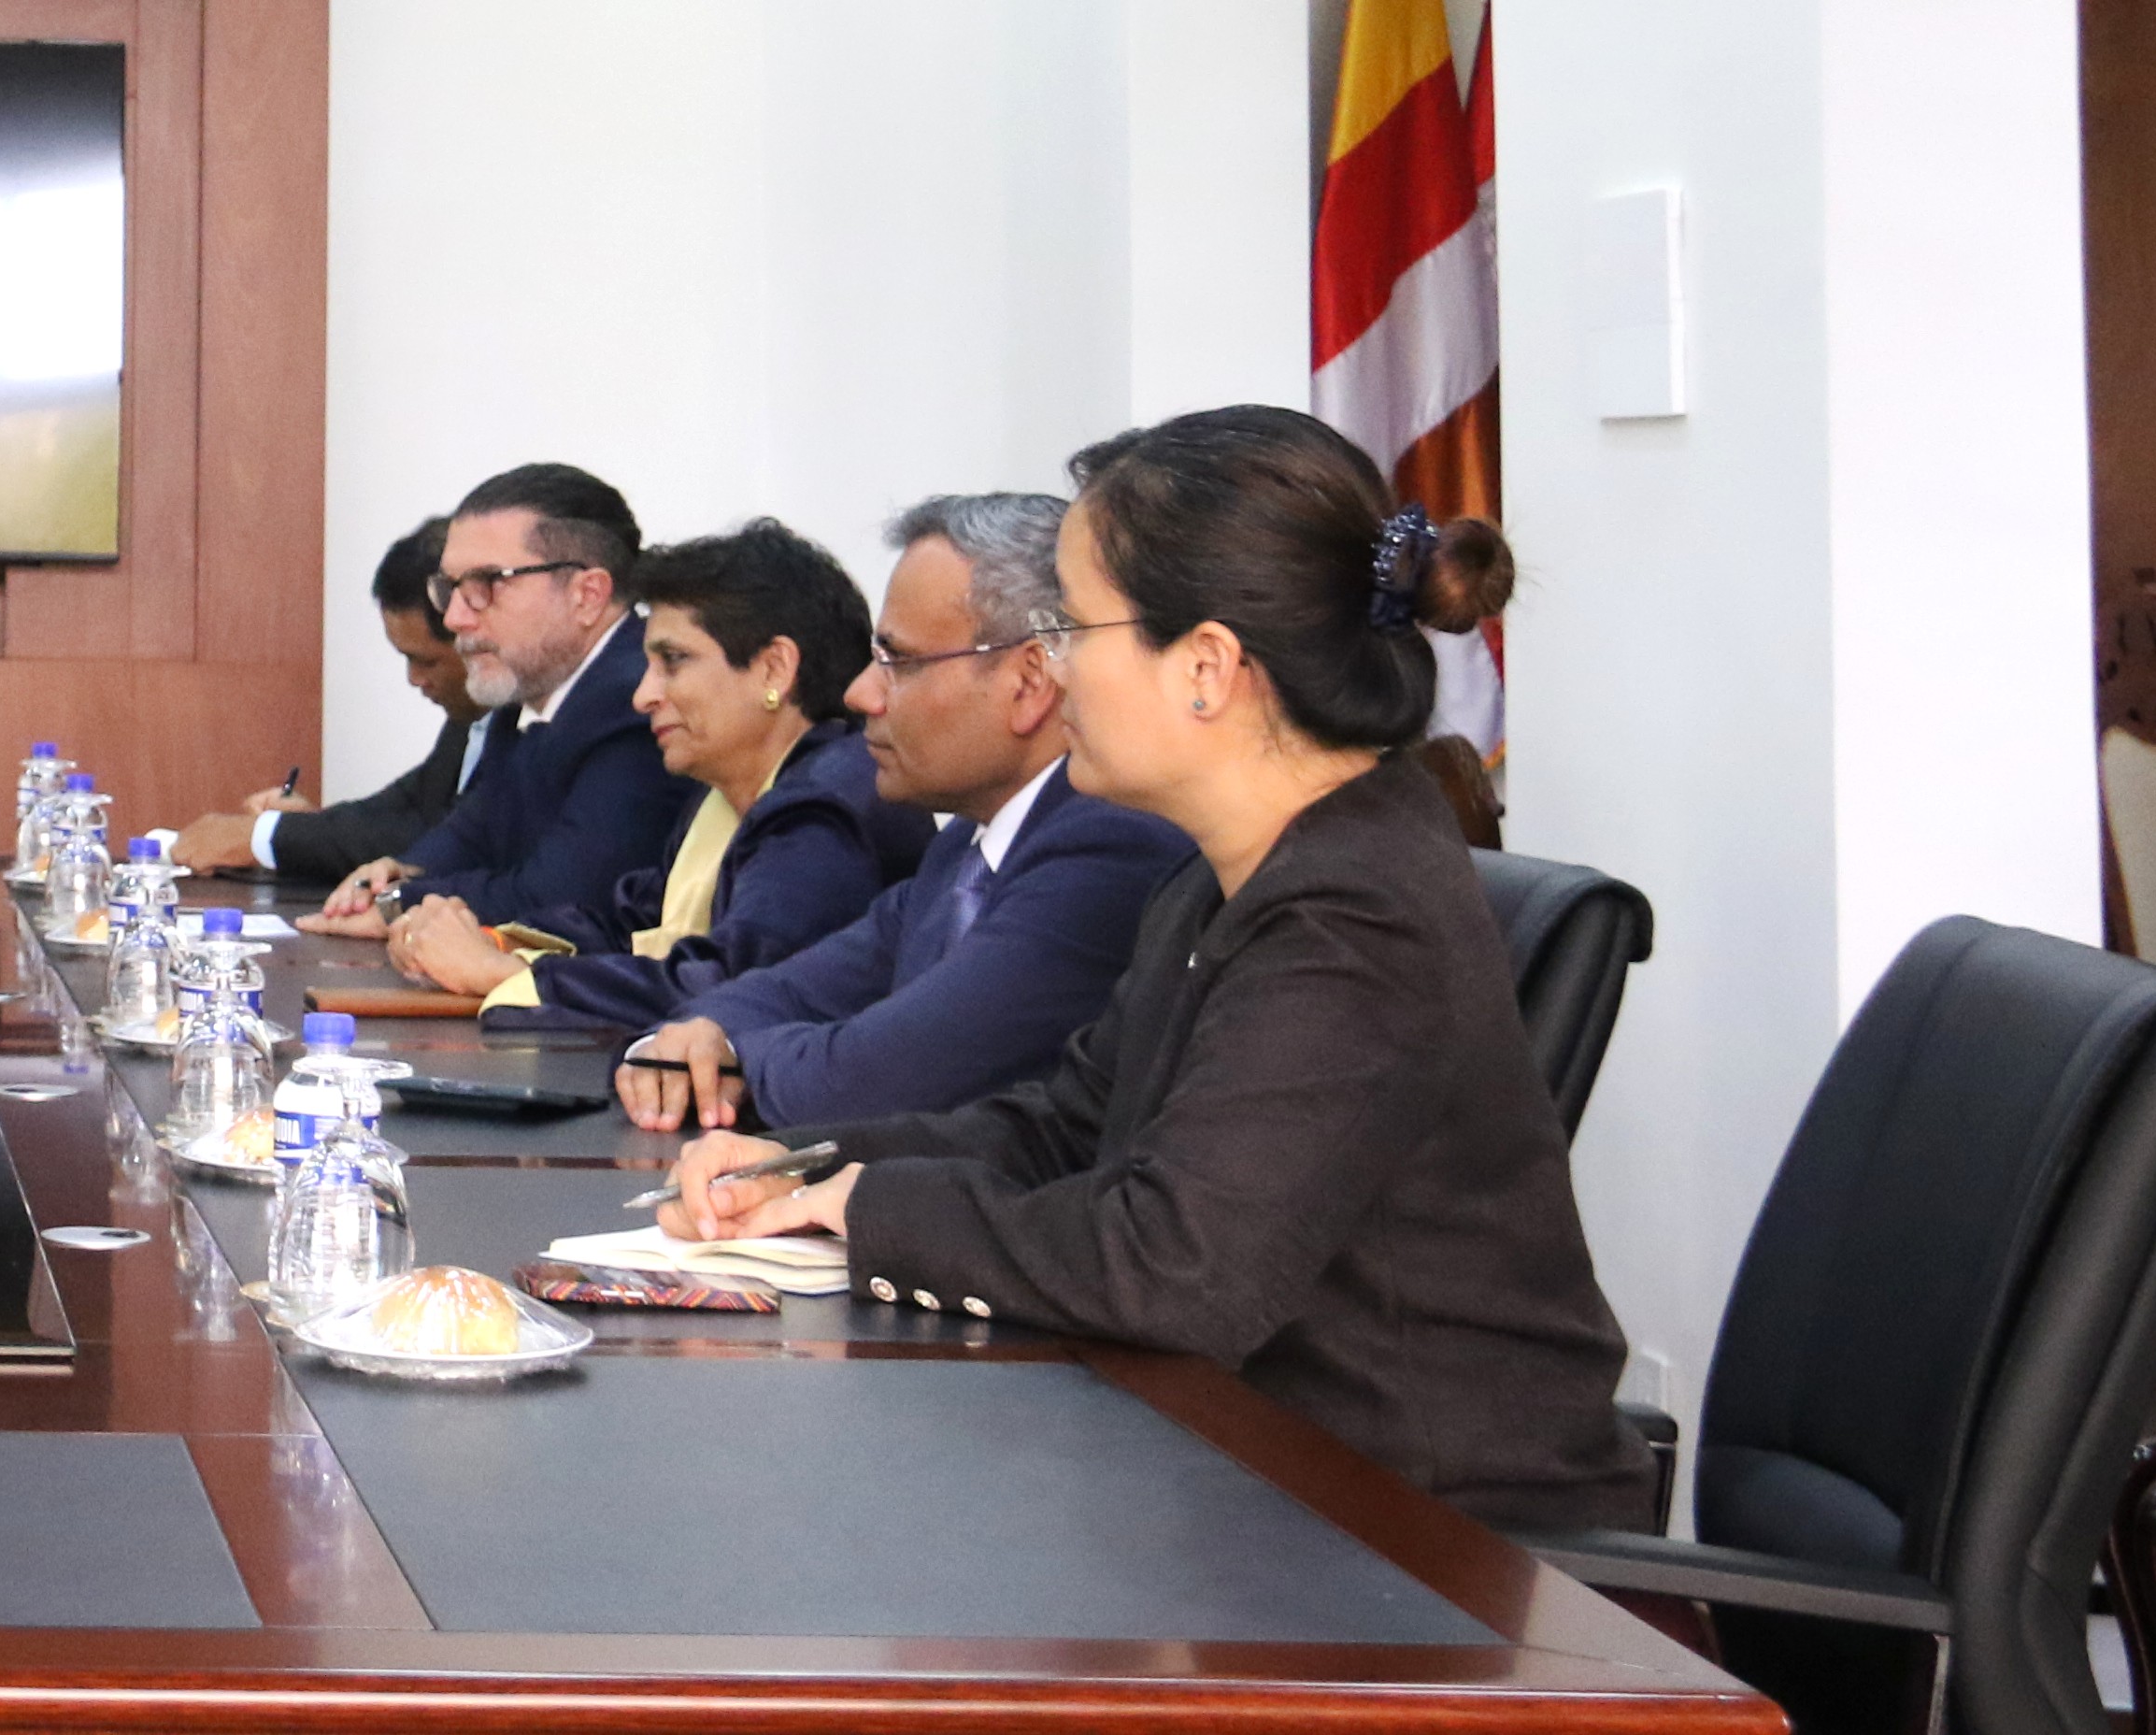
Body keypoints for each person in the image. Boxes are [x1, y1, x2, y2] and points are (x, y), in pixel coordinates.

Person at [661, 406, 1644, 1532]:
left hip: (1431, 1550)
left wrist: (869, 1208)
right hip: (1254, 1481)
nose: (1055, 673)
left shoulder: (1355, 913)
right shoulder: (1229, 874)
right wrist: (800, 1166)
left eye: (1075, 629)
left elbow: (1175, 1268)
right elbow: (1066, 1129)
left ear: (1206, 668)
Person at [609, 493, 1192, 1134]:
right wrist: (693, 1039)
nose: (861, 693)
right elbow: (787, 990)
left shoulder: (1110, 843)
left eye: (899, 661)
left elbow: (878, 1079)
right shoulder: (965, 847)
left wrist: (731, 1058)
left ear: (1028, 682)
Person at [378, 521, 911, 1021]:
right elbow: (628, 927)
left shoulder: (825, 810)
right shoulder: (722, 796)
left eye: (673, 662)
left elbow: (729, 990)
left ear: (774, 669)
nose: (643, 695)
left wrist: (503, 975)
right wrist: (493, 939)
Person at [308, 463, 685, 934]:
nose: (455, 618)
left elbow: (563, 898)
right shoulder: (526, 691)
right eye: (450, 588)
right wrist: (401, 874)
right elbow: (475, 831)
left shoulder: (638, 703)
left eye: (486, 584)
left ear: (587, 596)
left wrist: (402, 904)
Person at [171, 520, 484, 887]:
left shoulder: (519, 723)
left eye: (426, 661)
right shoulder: (471, 721)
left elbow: (440, 841)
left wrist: (265, 837)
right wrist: (304, 827)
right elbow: (400, 807)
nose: (413, 679)